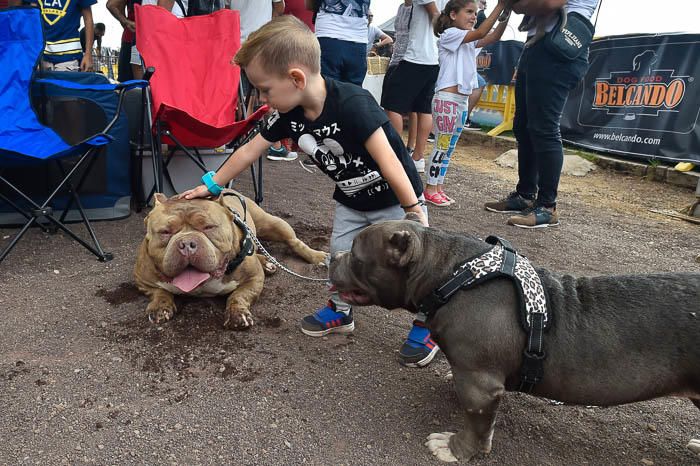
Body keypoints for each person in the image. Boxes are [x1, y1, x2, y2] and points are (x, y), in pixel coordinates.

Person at [181, 16, 440, 368]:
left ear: (296, 78)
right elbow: (247, 150)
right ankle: (341, 310)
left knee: (412, 264)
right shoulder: (290, 114)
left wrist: (413, 209)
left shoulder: (353, 103)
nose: (262, 98)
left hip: (395, 199)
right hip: (351, 200)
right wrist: (210, 186)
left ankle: (429, 322)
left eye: (265, 89)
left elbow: (390, 161)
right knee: (339, 256)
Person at [484, 0, 599, 228]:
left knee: (544, 128)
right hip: (539, 44)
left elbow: (547, 3)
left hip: (560, 48)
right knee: (524, 125)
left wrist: (518, 4)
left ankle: (548, 206)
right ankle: (525, 194)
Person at [425, 0, 508, 207]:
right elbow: (481, 33)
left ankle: (438, 187)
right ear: (453, 15)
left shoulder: (466, 39)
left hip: (460, 101)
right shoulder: (450, 34)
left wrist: (506, 13)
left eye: (476, 13)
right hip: (447, 100)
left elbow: (493, 36)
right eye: (469, 12)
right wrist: (500, 6)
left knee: (449, 147)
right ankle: (429, 188)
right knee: (441, 146)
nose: (473, 16)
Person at [382, 0, 447, 175]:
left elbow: (434, 14)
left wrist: (436, 16)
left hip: (414, 57)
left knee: (392, 105)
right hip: (433, 58)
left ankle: (396, 155)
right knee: (423, 108)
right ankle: (417, 157)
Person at [230, 0, 296, 162]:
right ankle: (276, 147)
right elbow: (280, 7)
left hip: (236, 45)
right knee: (269, 97)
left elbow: (225, 10)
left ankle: (242, 144)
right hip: (262, 45)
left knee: (242, 100)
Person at [381, 0, 417, 159]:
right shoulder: (402, 7)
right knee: (398, 106)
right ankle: (404, 147)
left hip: (409, 60)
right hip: (396, 59)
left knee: (395, 106)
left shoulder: (420, 8)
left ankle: (399, 148)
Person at [306, 0, 370, 87]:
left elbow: (309, 5)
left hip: (329, 33)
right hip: (358, 38)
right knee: (353, 93)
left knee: (326, 91)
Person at [39, 0, 97, 71]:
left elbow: (88, 19)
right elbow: (29, 14)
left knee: (66, 81)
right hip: (40, 54)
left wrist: (88, 54)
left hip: (69, 55)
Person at [106, 0, 136, 81]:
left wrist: (126, 23)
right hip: (135, 38)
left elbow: (111, 5)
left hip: (131, 36)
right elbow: (111, 5)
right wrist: (126, 22)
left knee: (128, 82)